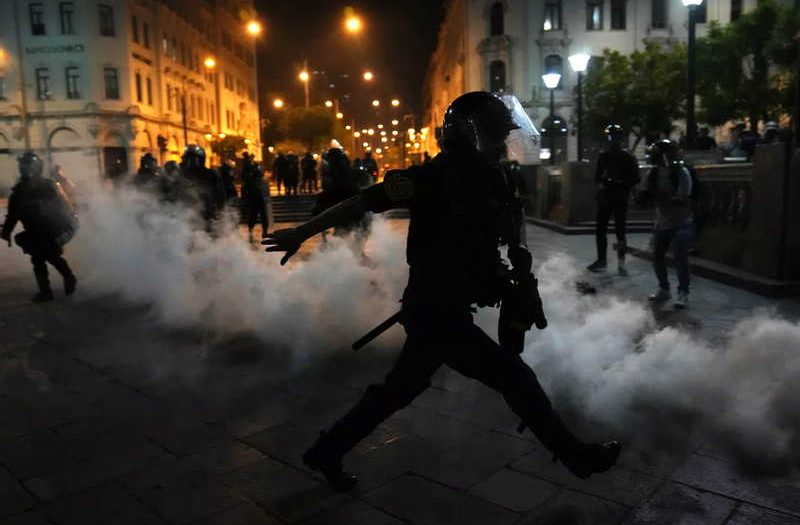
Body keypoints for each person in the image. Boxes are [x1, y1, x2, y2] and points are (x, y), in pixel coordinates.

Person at [263, 91, 620, 491]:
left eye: (504, 134)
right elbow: (361, 202)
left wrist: (514, 275)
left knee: (397, 392)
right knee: (514, 378)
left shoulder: (493, 177)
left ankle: (326, 451)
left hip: (447, 309)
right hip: (435, 311)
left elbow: (502, 237)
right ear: (469, 133)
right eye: (495, 133)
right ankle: (577, 458)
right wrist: (301, 231)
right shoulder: (430, 177)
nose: (503, 143)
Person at [1, 152, 78, 302]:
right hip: (33, 232)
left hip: (50, 230)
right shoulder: (18, 191)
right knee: (39, 260)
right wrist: (6, 231)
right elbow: (12, 215)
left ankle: (67, 278)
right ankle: (46, 291)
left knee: (51, 257)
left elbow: (64, 208)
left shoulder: (48, 186)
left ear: (36, 167)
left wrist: (66, 228)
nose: (24, 168)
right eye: (23, 165)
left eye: (27, 165)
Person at [641, 140, 695, 309]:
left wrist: (665, 197)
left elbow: (685, 198)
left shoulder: (682, 173)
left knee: (680, 257)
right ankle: (664, 288)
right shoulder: (653, 174)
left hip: (682, 221)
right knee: (657, 256)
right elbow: (645, 197)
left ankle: (683, 292)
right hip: (663, 221)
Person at [587, 124, 641, 276]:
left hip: (619, 196)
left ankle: (621, 263)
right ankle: (602, 260)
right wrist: (605, 180)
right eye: (610, 136)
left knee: (620, 231)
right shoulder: (604, 156)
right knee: (600, 230)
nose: (612, 139)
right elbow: (597, 176)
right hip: (606, 196)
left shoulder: (627, 157)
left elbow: (635, 178)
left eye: (614, 136)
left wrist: (621, 183)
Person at [179, 144, 224, 231]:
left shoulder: (210, 174)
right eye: (189, 159)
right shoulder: (179, 173)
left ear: (201, 159)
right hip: (184, 214)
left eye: (194, 159)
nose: (191, 162)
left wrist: (219, 211)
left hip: (206, 214)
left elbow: (220, 194)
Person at [241, 158, 270, 241]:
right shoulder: (250, 180)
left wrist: (266, 198)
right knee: (253, 217)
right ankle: (251, 231)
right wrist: (245, 200)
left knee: (263, 218)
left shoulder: (263, 181)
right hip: (254, 200)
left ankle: (264, 232)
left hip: (261, 201)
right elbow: (244, 189)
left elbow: (266, 191)